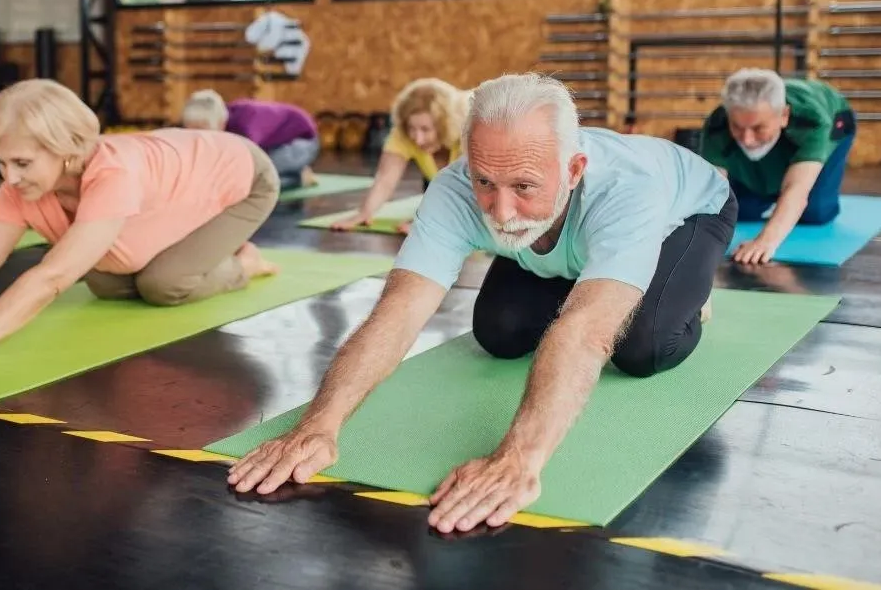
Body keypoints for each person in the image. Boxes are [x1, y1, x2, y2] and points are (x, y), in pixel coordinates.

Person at [226, 73, 736, 534]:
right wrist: (318, 426)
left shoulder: (628, 190)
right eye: (485, 182)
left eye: (524, 186)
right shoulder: (456, 188)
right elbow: (401, 308)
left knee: (641, 346)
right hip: (564, 240)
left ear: (574, 169)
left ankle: (684, 290)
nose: (501, 209)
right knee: (501, 333)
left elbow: (586, 331)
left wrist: (519, 459)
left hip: (690, 215)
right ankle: (592, 267)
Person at [0, 79, 280, 374]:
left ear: (66, 150)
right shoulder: (21, 186)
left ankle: (244, 261)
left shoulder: (112, 174)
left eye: (22, 163)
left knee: (163, 284)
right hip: (173, 181)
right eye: (2, 162)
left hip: (242, 178)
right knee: (107, 281)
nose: (8, 178)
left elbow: (52, 277)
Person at [700, 68, 855, 265]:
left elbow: (797, 189)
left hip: (836, 122)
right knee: (740, 209)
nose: (747, 139)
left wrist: (765, 241)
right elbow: (710, 190)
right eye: (737, 127)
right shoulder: (717, 124)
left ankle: (780, 197)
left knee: (816, 213)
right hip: (784, 134)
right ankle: (769, 195)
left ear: (784, 115)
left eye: (758, 128)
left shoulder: (813, 120)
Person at [331, 78, 466, 234]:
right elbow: (385, 180)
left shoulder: (471, 130)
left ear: (444, 125)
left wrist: (430, 221)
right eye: (412, 128)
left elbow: (469, 192)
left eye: (425, 129)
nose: (417, 138)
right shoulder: (403, 134)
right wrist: (365, 212)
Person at [181, 90, 320, 191]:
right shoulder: (216, 121)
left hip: (301, 141)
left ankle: (299, 179)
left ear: (221, 123)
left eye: (201, 130)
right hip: (271, 143)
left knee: (255, 181)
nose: (196, 136)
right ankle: (292, 171)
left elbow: (247, 166)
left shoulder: (246, 126)